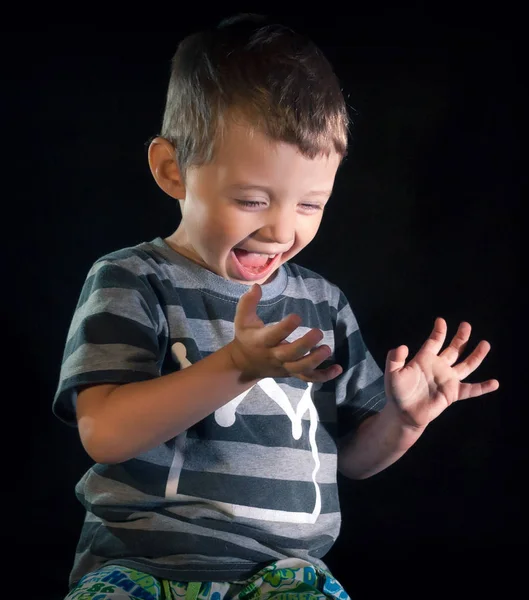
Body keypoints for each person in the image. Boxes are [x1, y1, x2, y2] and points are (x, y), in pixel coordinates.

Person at [53, 14, 500, 600]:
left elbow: (354, 461)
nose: (280, 230)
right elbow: (104, 433)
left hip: (283, 578)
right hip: (140, 568)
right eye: (252, 199)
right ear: (172, 171)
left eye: (311, 205)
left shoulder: (322, 304)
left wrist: (404, 421)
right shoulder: (133, 280)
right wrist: (236, 366)